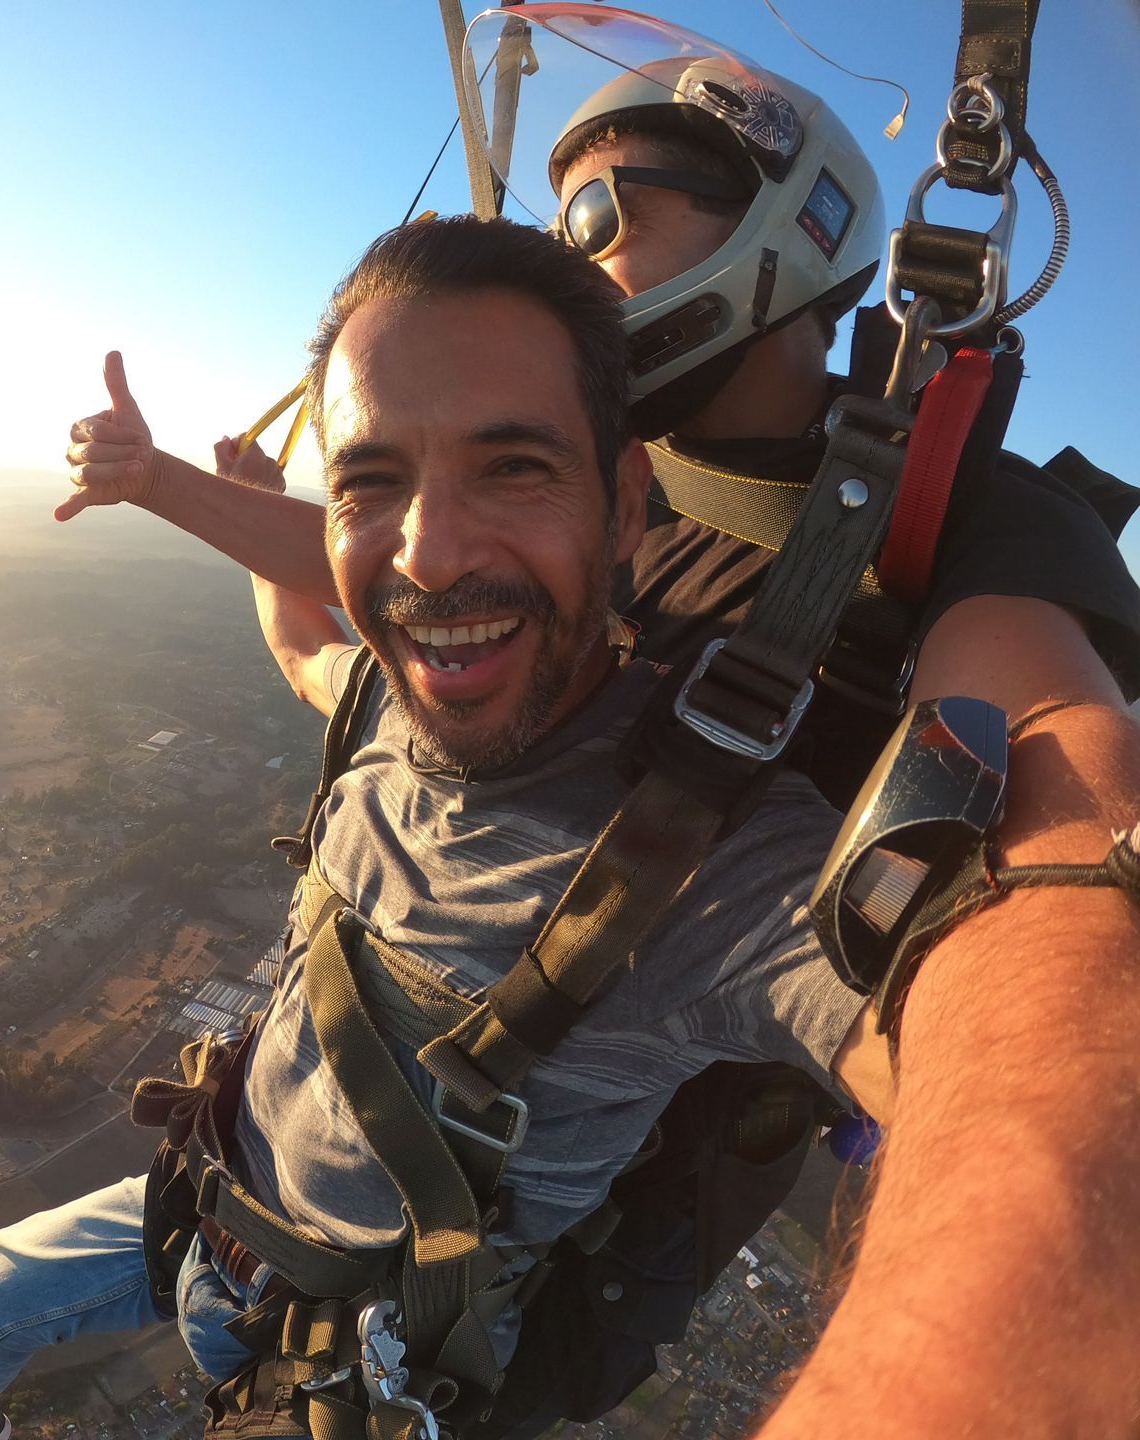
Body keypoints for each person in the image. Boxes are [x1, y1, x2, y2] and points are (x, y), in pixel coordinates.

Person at [57, 51, 1140, 1439]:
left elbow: (1055, 803)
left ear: (789, 227)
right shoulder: (617, 473)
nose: (571, 251)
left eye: (599, 214)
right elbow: (393, 571)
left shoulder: (969, 525)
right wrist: (163, 488)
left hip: (581, 1217)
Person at [0, 216, 897, 1440]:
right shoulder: (387, 709)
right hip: (209, 1199)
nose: (431, 557)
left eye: (513, 467)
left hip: (360, 1363)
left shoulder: (722, 867)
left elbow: (974, 1073)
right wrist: (204, 493)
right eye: (371, 482)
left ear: (625, 510)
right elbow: (301, 641)